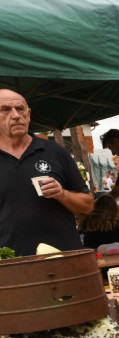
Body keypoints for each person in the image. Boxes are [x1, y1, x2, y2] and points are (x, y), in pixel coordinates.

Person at [0, 88, 92, 256]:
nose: (15, 115)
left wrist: (62, 194)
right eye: (5, 109)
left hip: (63, 257)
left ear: (28, 114)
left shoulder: (55, 152)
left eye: (20, 109)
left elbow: (88, 205)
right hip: (11, 263)